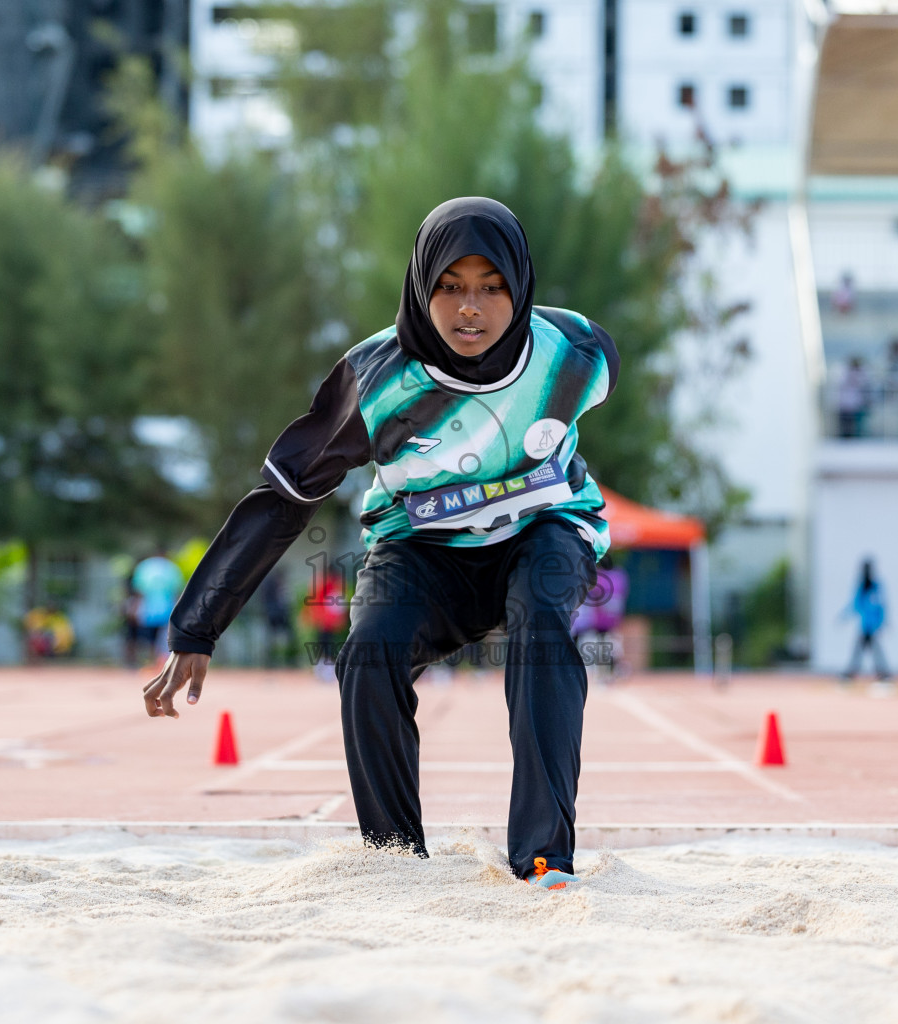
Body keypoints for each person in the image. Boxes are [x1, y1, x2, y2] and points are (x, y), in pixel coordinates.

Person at [144, 198, 618, 891]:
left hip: (545, 530)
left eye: (491, 286)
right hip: (421, 550)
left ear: (520, 288)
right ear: (420, 286)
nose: (470, 308)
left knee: (541, 624)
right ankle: (393, 855)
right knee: (368, 649)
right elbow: (281, 502)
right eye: (450, 285)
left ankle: (545, 857)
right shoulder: (375, 379)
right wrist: (196, 627)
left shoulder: (578, 355)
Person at [841, 559, 890, 689]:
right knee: (861, 650)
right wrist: (844, 615)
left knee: (874, 651)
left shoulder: (876, 586)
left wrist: (881, 622)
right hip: (864, 626)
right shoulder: (862, 586)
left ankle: (882, 673)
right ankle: (852, 673)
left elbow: (881, 606)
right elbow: (855, 604)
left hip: (872, 626)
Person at [131, 550, 184, 663]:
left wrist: (136, 607)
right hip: (164, 610)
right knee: (162, 638)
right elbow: (177, 591)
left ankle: (154, 662)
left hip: (150, 611)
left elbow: (138, 591)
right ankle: (157, 662)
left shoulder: (145, 567)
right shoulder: (171, 568)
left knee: (151, 639)